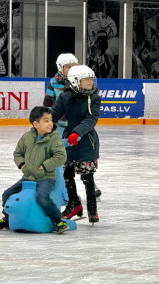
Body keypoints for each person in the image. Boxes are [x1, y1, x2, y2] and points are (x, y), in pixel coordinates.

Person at [0, 106, 69, 233]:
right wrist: (22, 165)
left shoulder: (53, 139)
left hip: (46, 178)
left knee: (42, 197)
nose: (50, 123)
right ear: (36, 124)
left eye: (51, 120)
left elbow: (61, 156)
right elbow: (17, 153)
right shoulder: (27, 137)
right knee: (7, 193)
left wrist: (44, 166)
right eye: (46, 120)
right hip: (28, 177)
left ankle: (57, 220)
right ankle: (7, 218)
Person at [51, 65, 101, 223]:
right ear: (75, 81)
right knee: (67, 174)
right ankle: (74, 204)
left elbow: (91, 119)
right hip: (69, 142)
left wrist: (77, 133)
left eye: (91, 80)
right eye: (86, 80)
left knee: (88, 176)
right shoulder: (65, 97)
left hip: (86, 141)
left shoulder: (94, 98)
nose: (90, 83)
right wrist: (43, 122)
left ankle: (92, 209)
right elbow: (55, 114)